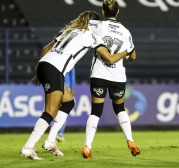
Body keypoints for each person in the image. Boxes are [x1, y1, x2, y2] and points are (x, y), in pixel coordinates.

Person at [20, 11, 128, 160]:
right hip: (54, 69)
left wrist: (41, 72)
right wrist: (125, 53)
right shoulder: (91, 36)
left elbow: (45, 50)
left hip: (44, 65)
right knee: (50, 111)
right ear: (93, 25)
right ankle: (28, 147)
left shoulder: (68, 32)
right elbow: (109, 59)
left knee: (69, 102)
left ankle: (51, 141)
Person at [81, 0, 139, 159]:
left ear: (103, 11)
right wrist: (122, 62)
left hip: (99, 73)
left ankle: (87, 146)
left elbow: (82, 25)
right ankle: (130, 140)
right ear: (118, 11)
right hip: (118, 76)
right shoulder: (126, 32)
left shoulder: (96, 25)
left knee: (96, 111)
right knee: (120, 108)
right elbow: (133, 56)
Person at [56, 67, 76, 142]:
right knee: (56, 111)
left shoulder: (69, 56)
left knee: (62, 110)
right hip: (55, 85)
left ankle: (60, 133)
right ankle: (58, 133)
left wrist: (72, 87)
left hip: (66, 87)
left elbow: (72, 72)